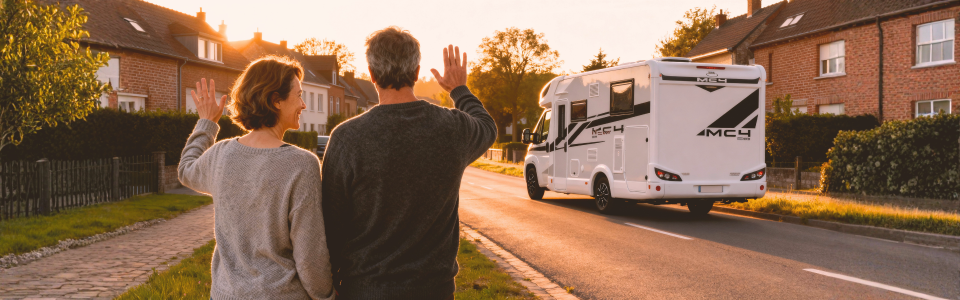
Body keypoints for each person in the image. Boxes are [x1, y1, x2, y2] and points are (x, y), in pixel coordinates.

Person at [321, 27, 497, 299]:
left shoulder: (347, 137)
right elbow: (487, 126)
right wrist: (459, 89)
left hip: (365, 289)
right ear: (417, 72)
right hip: (433, 290)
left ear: (371, 74)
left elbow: (332, 225)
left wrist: (329, 283)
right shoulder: (452, 128)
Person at [179, 56, 335, 300]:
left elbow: (186, 170)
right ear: (276, 101)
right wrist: (327, 295)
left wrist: (207, 123)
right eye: (299, 95)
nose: (303, 105)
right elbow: (309, 254)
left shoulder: (222, 154)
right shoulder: (301, 164)